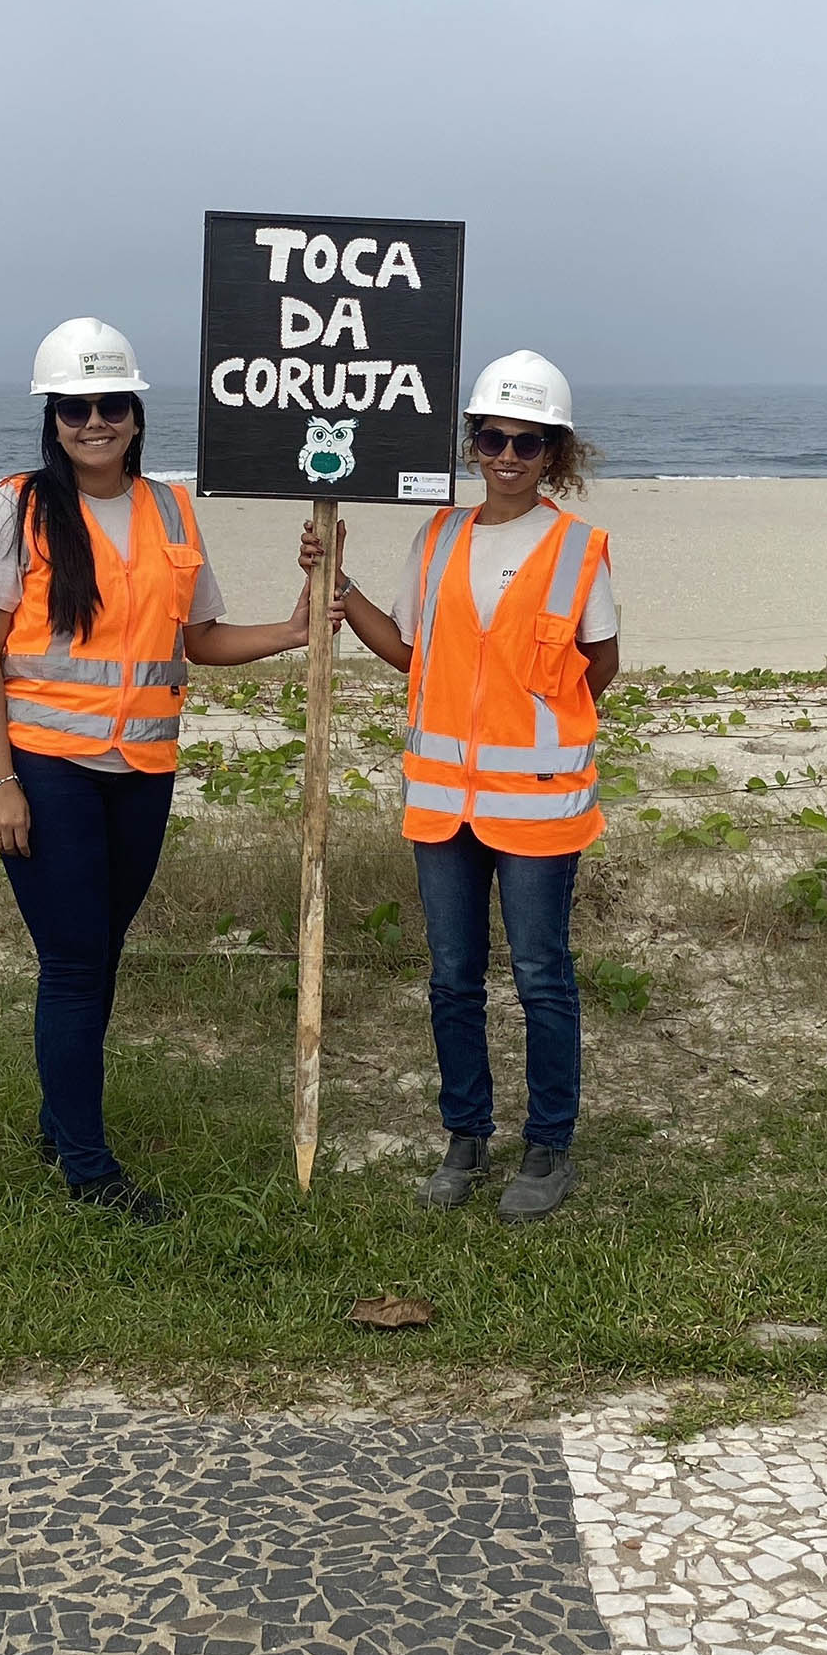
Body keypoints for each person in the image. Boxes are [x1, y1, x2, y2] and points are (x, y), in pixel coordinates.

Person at [0, 316, 327, 1222]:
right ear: (52, 418)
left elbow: (198, 638)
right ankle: (88, 1170)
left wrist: (290, 629)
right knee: (77, 962)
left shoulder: (170, 508)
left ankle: (59, 1121)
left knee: (99, 950)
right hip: (49, 769)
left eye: (111, 404)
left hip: (144, 770)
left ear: (135, 414)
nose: (96, 420)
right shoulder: (15, 508)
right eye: (77, 407)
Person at [303, 350, 619, 1222]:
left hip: (538, 809)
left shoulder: (577, 549)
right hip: (443, 802)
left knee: (544, 976)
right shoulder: (438, 536)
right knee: (452, 977)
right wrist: (341, 581)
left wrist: (528, 729)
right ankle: (466, 1135)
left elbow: (600, 665)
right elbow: (413, 654)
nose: (508, 455)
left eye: (528, 441)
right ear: (473, 444)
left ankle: (549, 1145)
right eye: (492, 437)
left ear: (554, 452)